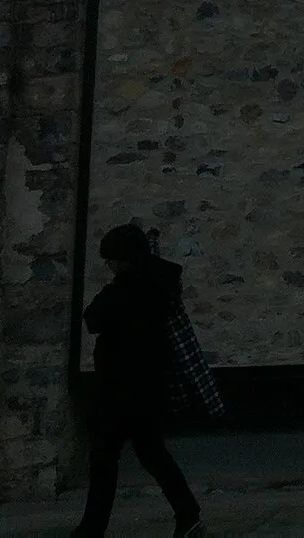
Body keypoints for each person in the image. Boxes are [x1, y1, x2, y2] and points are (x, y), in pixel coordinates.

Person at [73, 223, 205, 538]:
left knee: (104, 459)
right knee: (153, 454)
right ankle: (188, 514)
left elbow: (93, 318)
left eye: (112, 259)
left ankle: (92, 529)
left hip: (118, 389)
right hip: (149, 386)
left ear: (123, 260)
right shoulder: (159, 285)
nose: (108, 265)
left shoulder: (124, 291)